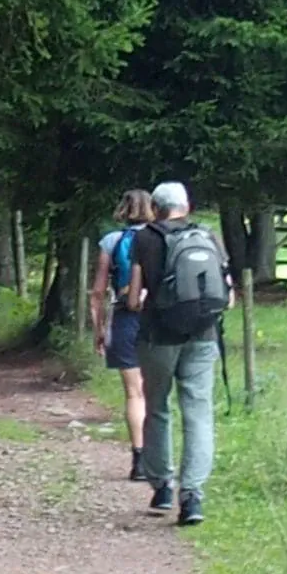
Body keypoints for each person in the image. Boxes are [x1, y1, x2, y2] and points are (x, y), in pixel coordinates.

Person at [126, 181, 232, 526]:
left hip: (158, 337)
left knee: (156, 407)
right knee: (198, 411)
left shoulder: (144, 238)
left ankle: (162, 487)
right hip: (203, 335)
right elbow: (228, 297)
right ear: (186, 206)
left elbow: (133, 298)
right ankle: (193, 496)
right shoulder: (208, 235)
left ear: (155, 208)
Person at [91, 189, 158, 480]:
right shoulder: (162, 237)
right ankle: (161, 457)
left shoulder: (111, 240)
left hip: (125, 318)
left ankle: (139, 460)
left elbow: (97, 291)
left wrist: (99, 329)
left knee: (134, 393)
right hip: (159, 317)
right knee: (158, 390)